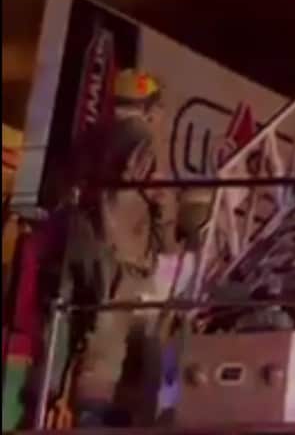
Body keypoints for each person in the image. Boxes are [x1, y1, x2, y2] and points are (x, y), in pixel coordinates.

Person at [59, 69, 175, 426]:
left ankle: (71, 407)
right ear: (150, 105)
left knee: (76, 331)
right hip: (121, 252)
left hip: (78, 247)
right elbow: (161, 199)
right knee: (113, 340)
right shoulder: (145, 138)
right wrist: (170, 242)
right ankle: (97, 422)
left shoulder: (90, 137)